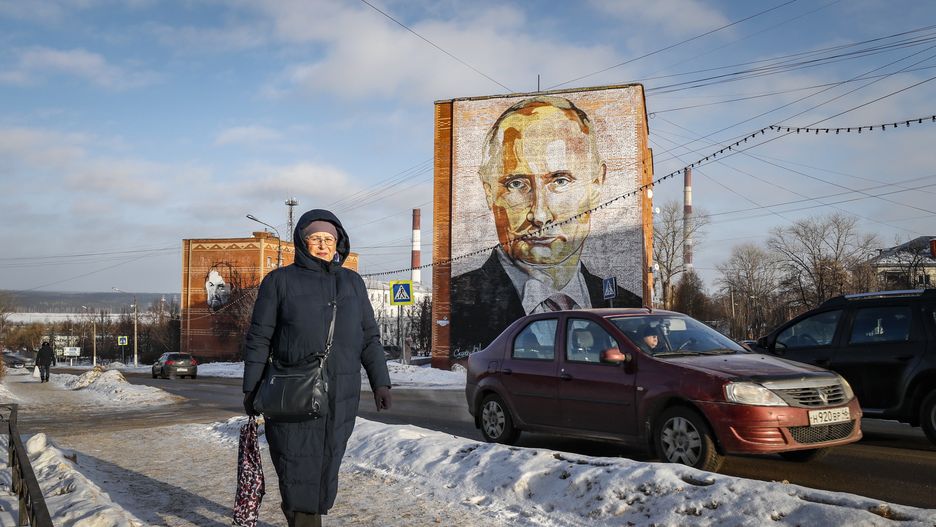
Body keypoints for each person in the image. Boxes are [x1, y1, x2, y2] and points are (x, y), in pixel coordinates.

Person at [451, 96, 641, 352]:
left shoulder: (626, 305)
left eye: (560, 181)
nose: (539, 215)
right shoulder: (457, 301)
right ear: (489, 193)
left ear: (596, 185)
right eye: (516, 184)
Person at [242, 209, 392, 527]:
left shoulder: (352, 284)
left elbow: (369, 338)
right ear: (302, 241)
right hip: (291, 391)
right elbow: (259, 338)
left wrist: (381, 381)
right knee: (295, 464)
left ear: (338, 244)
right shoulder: (279, 282)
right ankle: (303, 518)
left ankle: (303, 514)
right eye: (315, 238)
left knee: (325, 464)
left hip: (341, 394)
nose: (323, 245)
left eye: (329, 239)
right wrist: (251, 387)